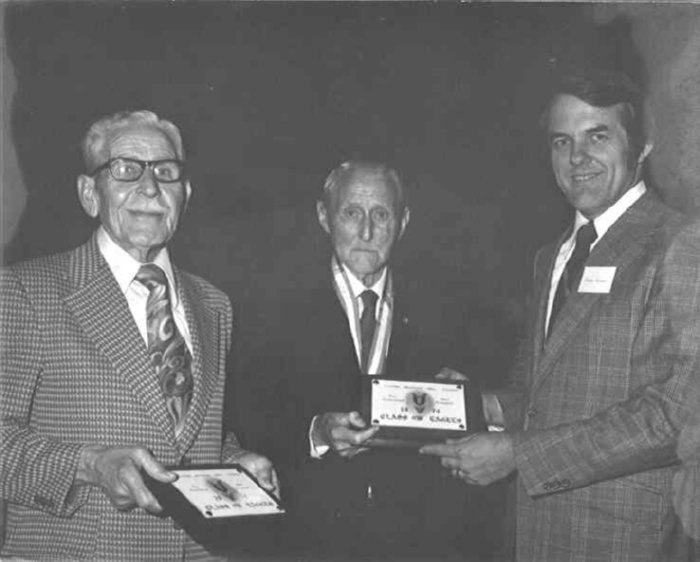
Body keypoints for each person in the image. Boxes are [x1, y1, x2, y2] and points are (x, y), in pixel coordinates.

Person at [422, 70, 697, 561]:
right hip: (535, 535)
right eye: (561, 141)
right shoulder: (551, 256)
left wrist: (518, 455)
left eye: (598, 136)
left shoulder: (681, 246)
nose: (577, 158)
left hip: (625, 541)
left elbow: (674, 416)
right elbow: (546, 393)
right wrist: (485, 406)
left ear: (644, 145)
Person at [0, 110, 277, 561]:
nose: (150, 188)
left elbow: (184, 434)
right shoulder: (26, 291)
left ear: (185, 195)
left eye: (166, 172)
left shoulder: (215, 305)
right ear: (90, 194)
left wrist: (234, 460)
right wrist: (90, 466)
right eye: (126, 169)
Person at [228, 161, 497, 558]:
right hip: (306, 536)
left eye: (381, 215)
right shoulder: (271, 305)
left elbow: (482, 418)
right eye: (352, 213)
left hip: (416, 539)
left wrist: (467, 403)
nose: (367, 232)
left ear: (403, 222)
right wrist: (316, 433)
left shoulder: (450, 308)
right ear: (324, 217)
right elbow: (246, 419)